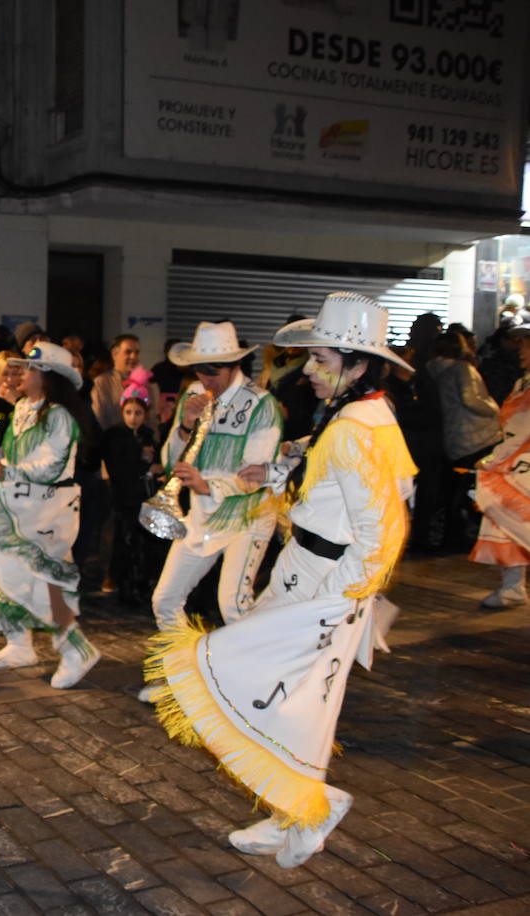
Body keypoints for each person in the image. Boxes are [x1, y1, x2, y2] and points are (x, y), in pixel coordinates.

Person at [146, 292, 416, 869]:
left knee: (287, 698)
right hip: (307, 573)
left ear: (358, 364)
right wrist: (282, 463)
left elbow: (383, 531)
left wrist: (335, 604)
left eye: (321, 360)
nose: (310, 371)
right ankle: (292, 808)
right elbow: (334, 468)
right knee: (287, 700)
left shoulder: (357, 427)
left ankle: (312, 809)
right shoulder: (356, 415)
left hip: (323, 586)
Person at [142, 323, 283, 701]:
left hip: (248, 517)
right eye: (199, 370)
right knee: (165, 599)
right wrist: (185, 426)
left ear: (235, 365)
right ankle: (179, 677)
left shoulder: (261, 404)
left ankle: (260, 687)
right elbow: (172, 460)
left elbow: (259, 469)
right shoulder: (193, 394)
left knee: (233, 604)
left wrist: (208, 483)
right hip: (202, 517)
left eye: (212, 371)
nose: (205, 379)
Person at [0, 343, 101, 689]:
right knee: (5, 570)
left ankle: (76, 649)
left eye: (27, 370)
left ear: (46, 377)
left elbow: (50, 465)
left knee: (47, 580)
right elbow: (5, 449)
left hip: (48, 510)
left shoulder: (58, 416)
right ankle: (19, 644)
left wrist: (10, 469)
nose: (19, 374)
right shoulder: (18, 409)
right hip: (19, 504)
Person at [470, 321, 530, 606]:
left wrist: (493, 459)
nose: (521, 349)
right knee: (507, 523)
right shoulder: (523, 381)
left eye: (527, 344)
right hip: (515, 464)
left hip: (520, 465)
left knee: (511, 518)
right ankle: (512, 586)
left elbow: (523, 429)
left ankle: (513, 587)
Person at [425, 331, 500, 550]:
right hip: (476, 434)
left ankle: (451, 533)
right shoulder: (462, 369)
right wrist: (494, 409)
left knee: (455, 489)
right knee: (471, 488)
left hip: (454, 436)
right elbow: (470, 399)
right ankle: (462, 534)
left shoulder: (434, 370)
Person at [100, 372, 162, 606]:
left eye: (138, 413)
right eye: (129, 412)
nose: (133, 418)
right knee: (123, 542)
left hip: (143, 497)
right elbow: (118, 468)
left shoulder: (147, 435)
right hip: (123, 498)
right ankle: (124, 585)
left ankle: (141, 584)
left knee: (143, 544)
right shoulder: (114, 436)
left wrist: (152, 464)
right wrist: (142, 461)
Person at [91, 334, 160, 432]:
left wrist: (153, 441)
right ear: (114, 354)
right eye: (128, 352)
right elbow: (99, 418)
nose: (133, 356)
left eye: (137, 352)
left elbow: (151, 418)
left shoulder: (144, 383)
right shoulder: (102, 382)